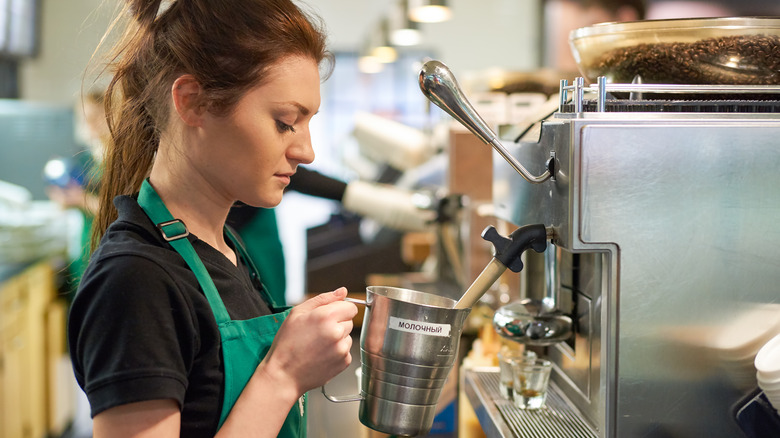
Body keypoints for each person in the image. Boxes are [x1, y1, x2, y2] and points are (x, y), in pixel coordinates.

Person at [67, 0, 358, 437]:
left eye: (307, 123)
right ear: (193, 102)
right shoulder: (136, 280)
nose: (306, 151)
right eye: (285, 122)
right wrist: (283, 375)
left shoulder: (225, 250)